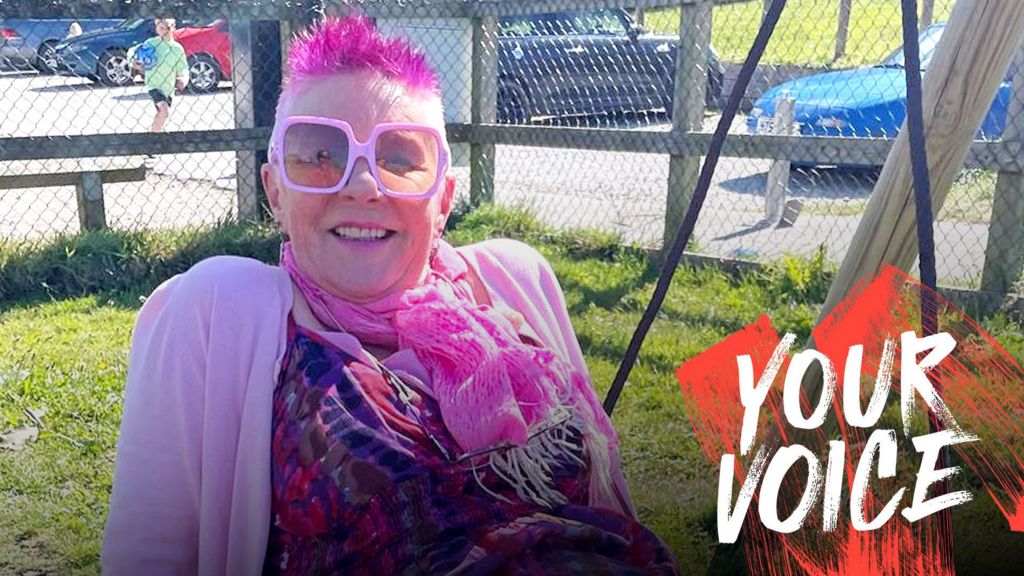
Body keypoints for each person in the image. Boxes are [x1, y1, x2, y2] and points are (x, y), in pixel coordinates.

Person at [101, 16, 678, 575]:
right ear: (274, 190)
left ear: (444, 196)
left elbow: (610, 501)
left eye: (400, 158)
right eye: (318, 154)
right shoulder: (220, 307)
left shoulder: (511, 280)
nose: (363, 185)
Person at [128, 18, 188, 132]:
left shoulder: (177, 48)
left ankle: (156, 135)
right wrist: (134, 62)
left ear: (173, 28)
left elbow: (183, 68)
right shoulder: (151, 43)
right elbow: (132, 52)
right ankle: (154, 138)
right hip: (153, 84)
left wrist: (183, 79)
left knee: (163, 114)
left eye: (167, 27)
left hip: (169, 88)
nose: (164, 30)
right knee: (164, 110)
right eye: (160, 27)